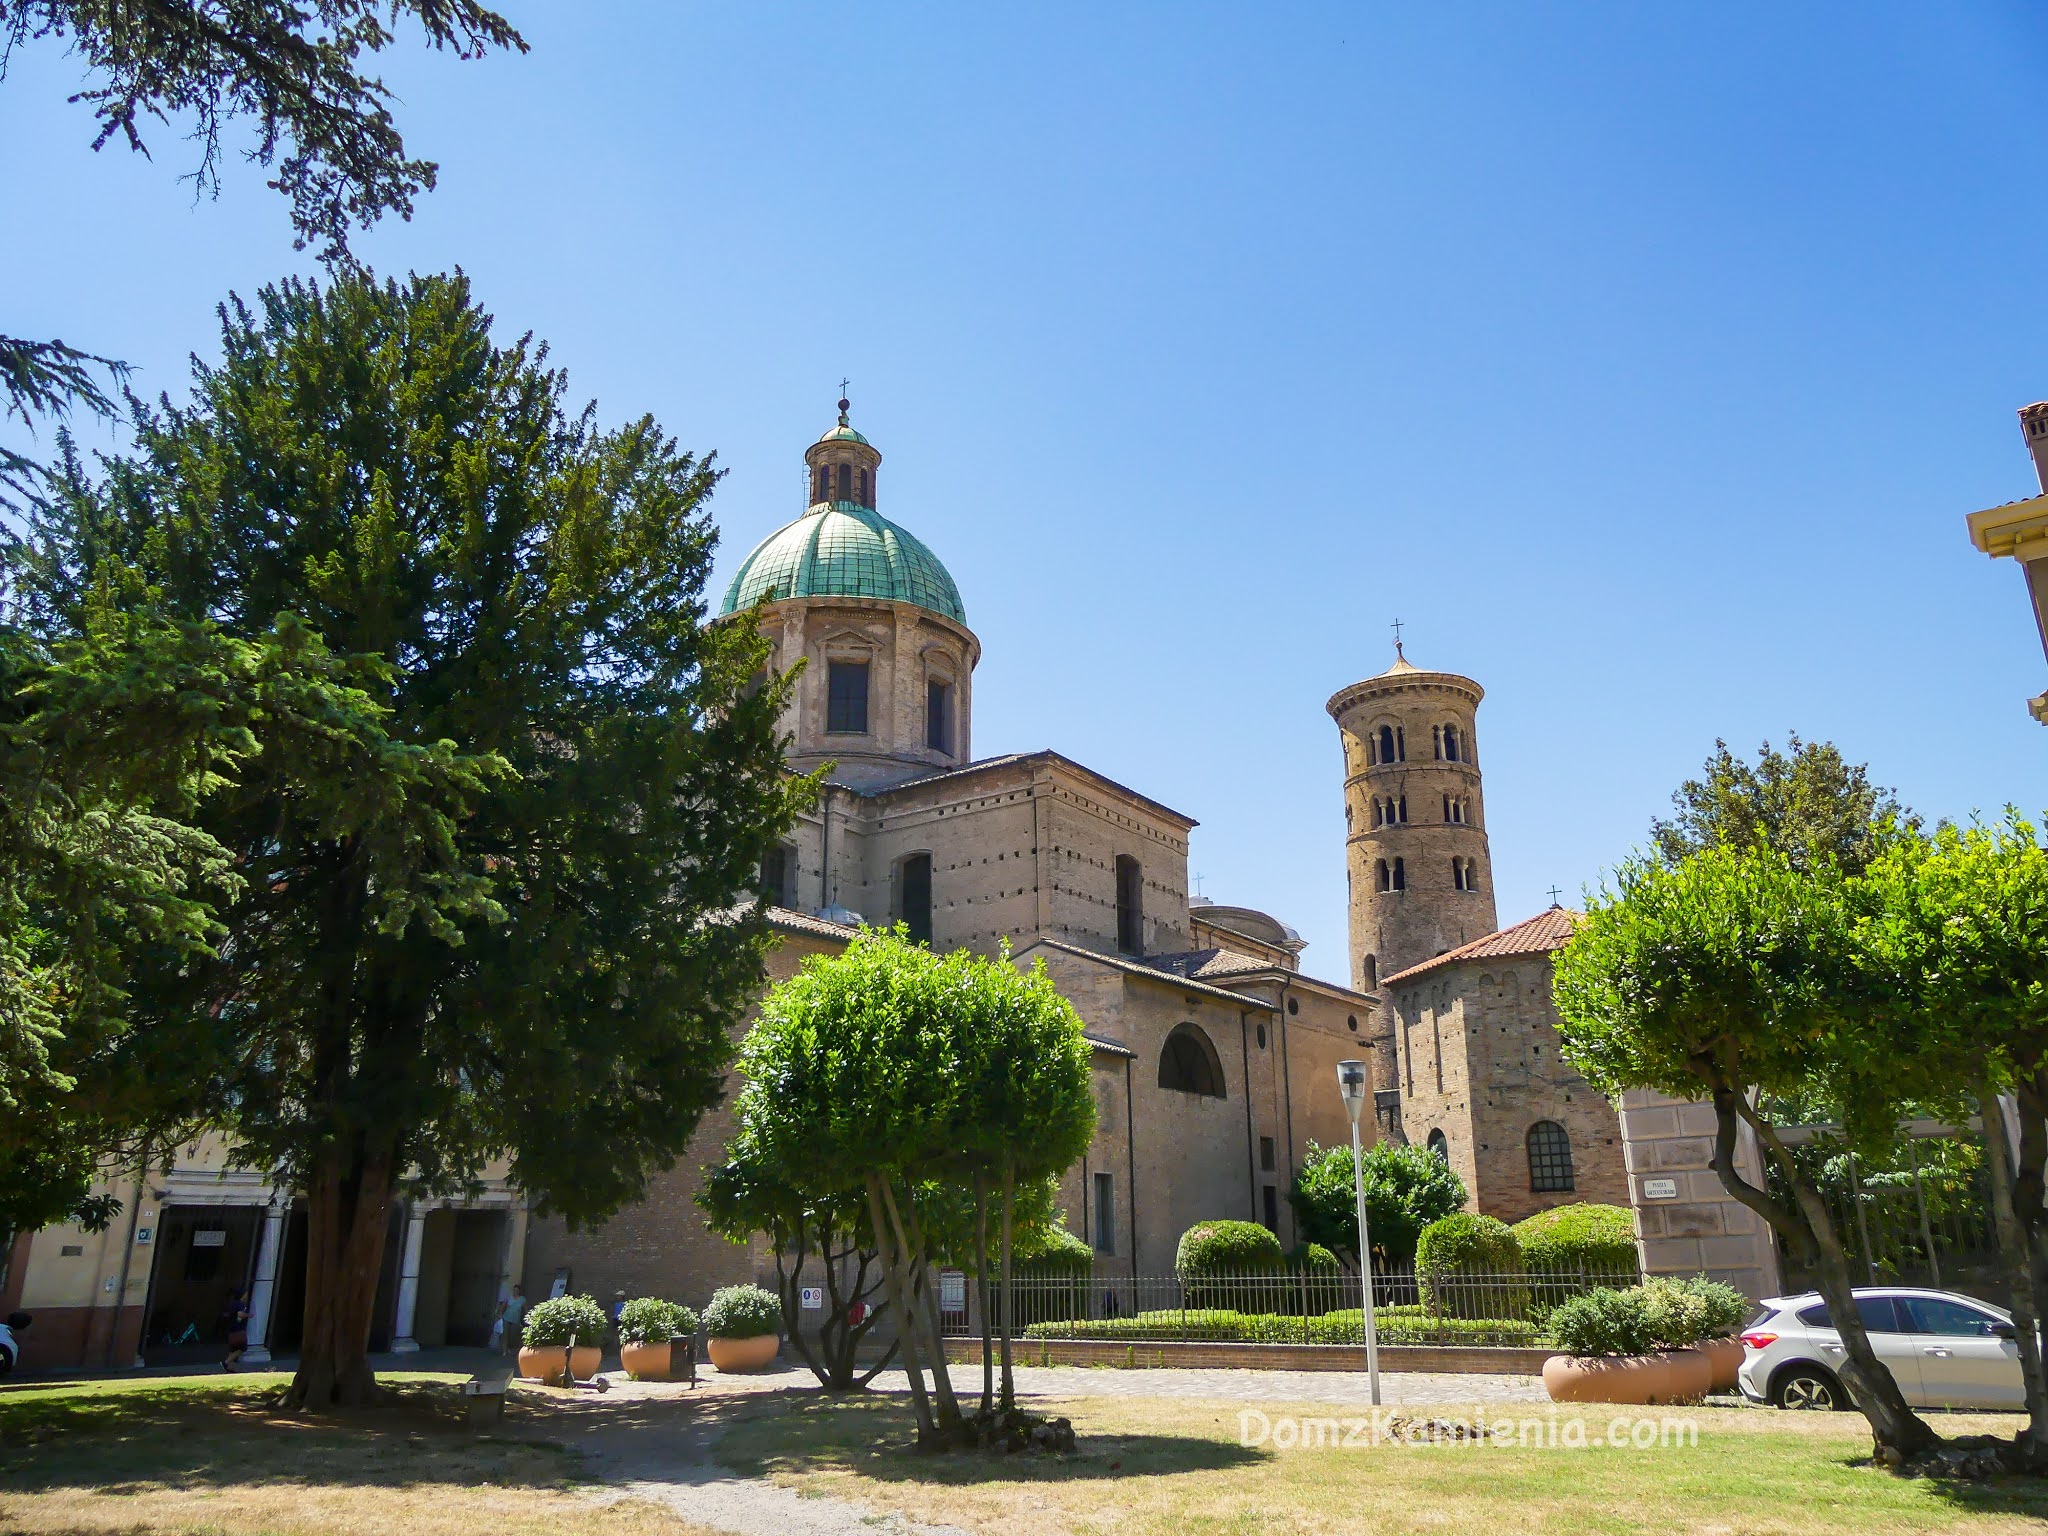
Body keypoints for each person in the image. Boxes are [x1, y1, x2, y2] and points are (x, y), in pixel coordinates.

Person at [492, 1284, 527, 1355]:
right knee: (505, 1335)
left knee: (513, 1336)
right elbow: (503, 1306)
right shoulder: (509, 1298)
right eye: (514, 1290)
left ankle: (509, 1348)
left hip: (515, 1320)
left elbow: (525, 1310)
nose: (515, 1292)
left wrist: (526, 1318)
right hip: (506, 1318)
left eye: (517, 1290)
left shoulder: (522, 1299)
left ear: (519, 1291)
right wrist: (500, 1314)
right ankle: (504, 1351)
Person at [221, 1289, 251, 1370]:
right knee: (242, 1348)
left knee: (233, 1349)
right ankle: (226, 1362)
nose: (247, 1296)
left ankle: (229, 1367)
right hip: (238, 1329)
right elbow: (240, 1314)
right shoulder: (240, 1304)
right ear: (242, 1295)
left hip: (231, 1329)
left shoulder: (232, 1304)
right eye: (245, 1294)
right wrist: (248, 1315)